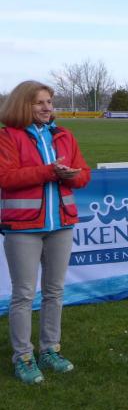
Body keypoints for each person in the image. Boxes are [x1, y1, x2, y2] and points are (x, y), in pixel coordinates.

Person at [0, 80, 91, 384]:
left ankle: (50, 350)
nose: (47, 107)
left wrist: (72, 176)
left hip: (61, 226)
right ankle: (23, 356)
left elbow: (84, 174)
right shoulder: (7, 137)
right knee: (24, 294)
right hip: (23, 228)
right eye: (39, 102)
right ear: (22, 105)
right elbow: (5, 177)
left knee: (54, 292)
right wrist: (50, 171)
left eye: (49, 102)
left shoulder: (64, 135)